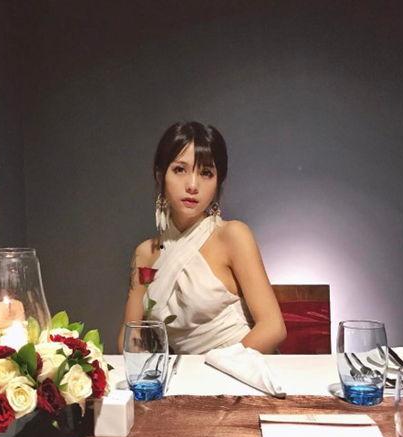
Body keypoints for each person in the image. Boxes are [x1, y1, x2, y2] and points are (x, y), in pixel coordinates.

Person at [118, 121, 286, 354]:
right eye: (180, 170)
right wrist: (148, 369)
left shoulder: (232, 236)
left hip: (242, 366)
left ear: (218, 182)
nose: (192, 185)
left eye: (206, 173)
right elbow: (131, 336)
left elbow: (273, 328)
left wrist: (214, 368)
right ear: (160, 175)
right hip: (180, 374)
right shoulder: (145, 254)